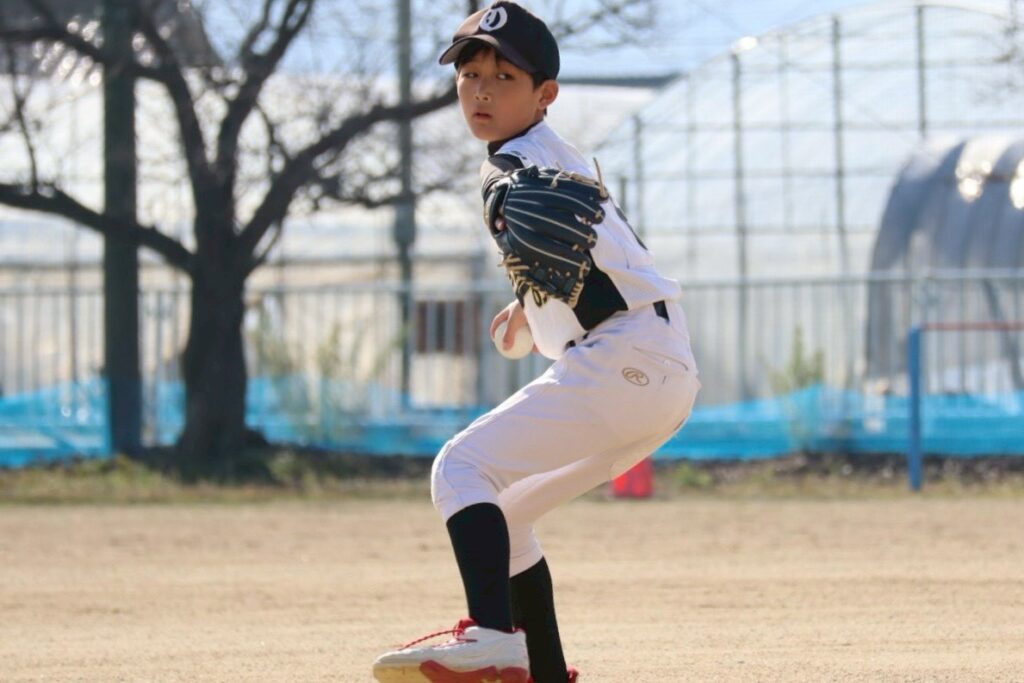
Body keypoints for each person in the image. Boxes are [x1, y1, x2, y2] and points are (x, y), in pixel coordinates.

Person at [372, 3, 700, 682]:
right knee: (509, 514)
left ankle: (493, 637)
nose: (482, 90)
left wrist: (511, 211)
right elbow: (590, 250)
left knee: (459, 468)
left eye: (504, 77)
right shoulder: (560, 157)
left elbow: (547, 216)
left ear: (545, 93)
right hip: (658, 370)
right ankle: (545, 673)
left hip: (625, 358)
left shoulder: (516, 164)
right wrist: (529, 304)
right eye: (470, 74)